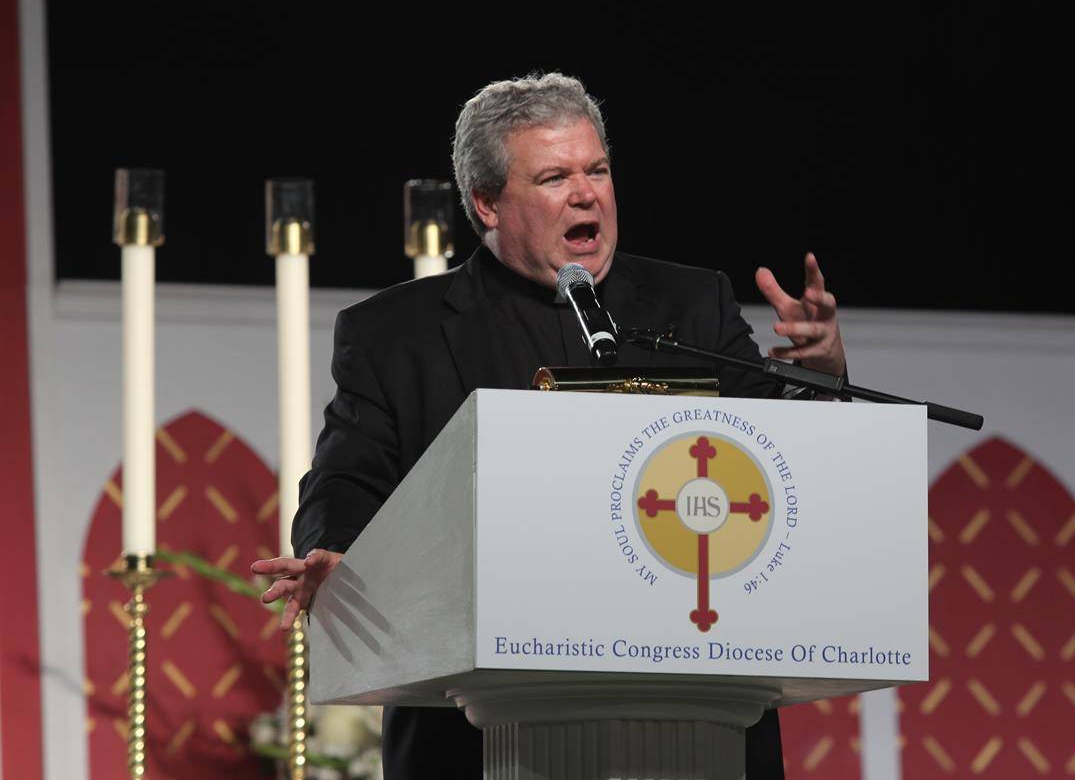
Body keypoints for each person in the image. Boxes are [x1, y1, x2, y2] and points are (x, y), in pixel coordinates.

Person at [252, 73, 846, 778]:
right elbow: (346, 478)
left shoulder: (691, 305)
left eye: (597, 170)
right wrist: (339, 553)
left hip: (700, 712)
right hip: (472, 733)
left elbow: (774, 459)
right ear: (487, 203)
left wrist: (822, 372)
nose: (587, 193)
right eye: (554, 177)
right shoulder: (397, 334)